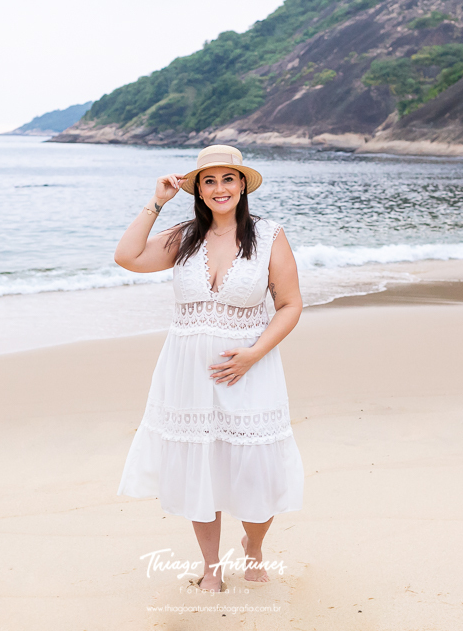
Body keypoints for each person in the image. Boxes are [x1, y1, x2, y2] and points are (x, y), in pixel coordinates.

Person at [115, 144, 305, 593]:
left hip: (250, 368)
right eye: (209, 181)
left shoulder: (269, 235)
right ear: (198, 190)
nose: (220, 188)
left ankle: (254, 546)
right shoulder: (185, 236)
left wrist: (253, 353)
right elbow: (126, 256)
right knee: (201, 464)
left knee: (258, 468)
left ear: (242, 185)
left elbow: (290, 305)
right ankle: (212, 567)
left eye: (228, 179)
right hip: (188, 371)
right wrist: (157, 202)